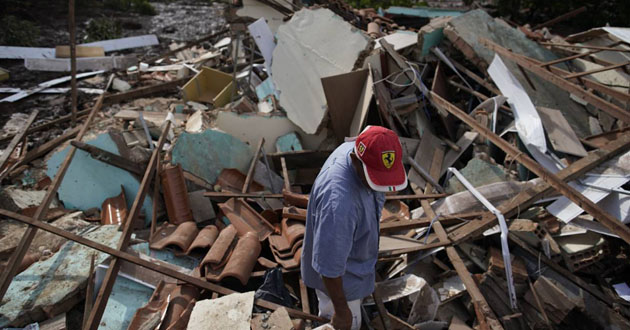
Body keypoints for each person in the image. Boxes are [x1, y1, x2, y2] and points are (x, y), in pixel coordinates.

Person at [301, 126, 408, 330]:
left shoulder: (364, 148)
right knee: (342, 325)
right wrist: (341, 312)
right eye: (374, 179)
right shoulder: (339, 204)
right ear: (355, 160)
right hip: (339, 284)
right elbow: (330, 268)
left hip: (354, 266)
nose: (377, 187)